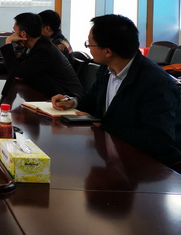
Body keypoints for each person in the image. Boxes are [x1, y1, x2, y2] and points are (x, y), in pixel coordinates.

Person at [52, 14, 181, 167]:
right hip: (111, 156)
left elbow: (158, 140)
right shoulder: (107, 69)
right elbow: (93, 98)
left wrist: (104, 126)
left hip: (146, 168)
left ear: (107, 52)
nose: (88, 48)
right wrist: (73, 101)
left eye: (90, 44)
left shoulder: (156, 83)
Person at [0, 12, 82, 97]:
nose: (12, 34)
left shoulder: (45, 50)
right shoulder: (38, 45)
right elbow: (18, 65)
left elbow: (15, 70)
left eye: (14, 31)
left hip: (65, 98)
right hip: (48, 94)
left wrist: (8, 42)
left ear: (22, 34)